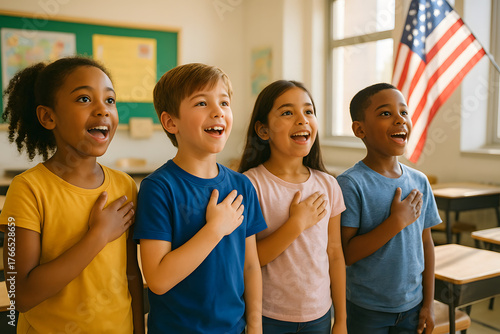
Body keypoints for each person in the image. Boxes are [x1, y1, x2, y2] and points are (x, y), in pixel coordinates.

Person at [0, 56, 144, 333]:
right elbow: (22, 294)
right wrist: (98, 235)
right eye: (84, 99)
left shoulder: (125, 186)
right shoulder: (27, 189)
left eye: (110, 100)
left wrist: (139, 329)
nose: (103, 110)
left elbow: (131, 274)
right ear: (48, 116)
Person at [133, 63, 267, 334]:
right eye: (202, 103)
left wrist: (255, 326)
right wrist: (215, 229)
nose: (218, 111)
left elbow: (251, 266)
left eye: (224, 102)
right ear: (171, 122)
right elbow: (157, 279)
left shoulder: (242, 185)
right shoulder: (158, 188)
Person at [239, 80, 347, 334]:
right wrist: (296, 224)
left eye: (309, 111)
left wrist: (341, 320)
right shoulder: (250, 184)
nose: (302, 119)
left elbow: (335, 254)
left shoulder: (329, 185)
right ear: (263, 130)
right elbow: (250, 261)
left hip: (319, 315)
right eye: (287, 112)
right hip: (268, 317)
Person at [337, 83, 441, 334]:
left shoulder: (419, 181)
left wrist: (428, 304)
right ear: (359, 129)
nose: (399, 120)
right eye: (385, 113)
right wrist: (396, 222)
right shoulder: (350, 184)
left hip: (413, 307)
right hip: (367, 310)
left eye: (404, 112)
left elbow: (426, 244)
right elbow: (347, 254)